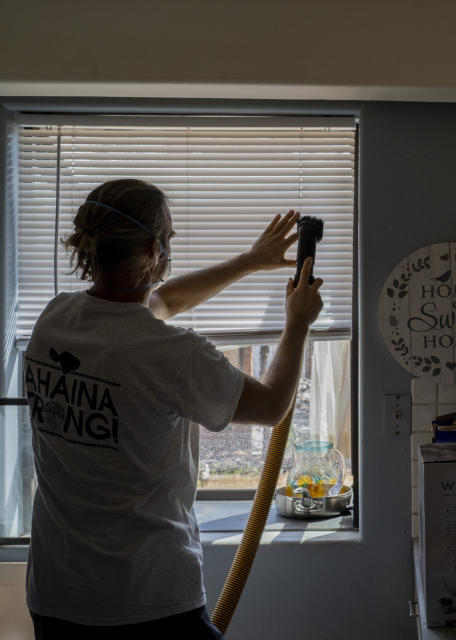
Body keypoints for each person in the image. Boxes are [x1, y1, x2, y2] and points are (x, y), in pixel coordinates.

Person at [23, 178, 325, 638]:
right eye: (170, 238)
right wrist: (297, 323)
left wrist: (248, 263)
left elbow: (160, 301)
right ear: (152, 249)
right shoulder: (171, 354)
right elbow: (271, 406)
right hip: (147, 599)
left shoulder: (54, 318)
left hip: (57, 594)